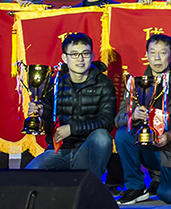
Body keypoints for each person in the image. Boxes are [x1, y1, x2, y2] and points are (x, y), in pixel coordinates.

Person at [114, 33, 171, 204]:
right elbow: (119, 120)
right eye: (152, 52)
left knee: (170, 196)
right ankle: (135, 187)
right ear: (146, 55)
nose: (157, 58)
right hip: (149, 148)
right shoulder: (136, 84)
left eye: (162, 53)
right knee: (124, 133)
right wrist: (132, 116)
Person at [24, 33, 116, 178]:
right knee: (28, 175)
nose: (80, 59)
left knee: (102, 137)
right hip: (58, 151)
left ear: (92, 56)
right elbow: (48, 127)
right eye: (74, 54)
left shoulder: (103, 83)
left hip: (86, 150)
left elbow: (107, 122)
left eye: (85, 53)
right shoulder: (53, 83)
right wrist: (40, 115)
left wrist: (72, 128)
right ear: (64, 58)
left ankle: (92, 185)